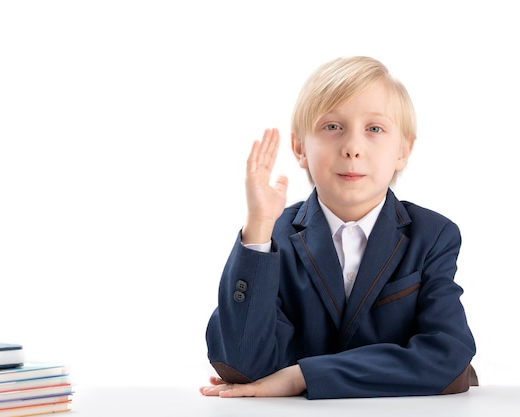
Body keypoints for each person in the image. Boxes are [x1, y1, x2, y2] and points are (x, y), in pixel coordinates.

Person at [200, 56, 477, 400]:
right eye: (333, 127)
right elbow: (240, 363)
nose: (352, 148)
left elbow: (448, 357)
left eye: (374, 129)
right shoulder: (275, 239)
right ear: (300, 148)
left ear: (403, 150)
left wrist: (303, 376)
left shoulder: (432, 235)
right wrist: (257, 229)